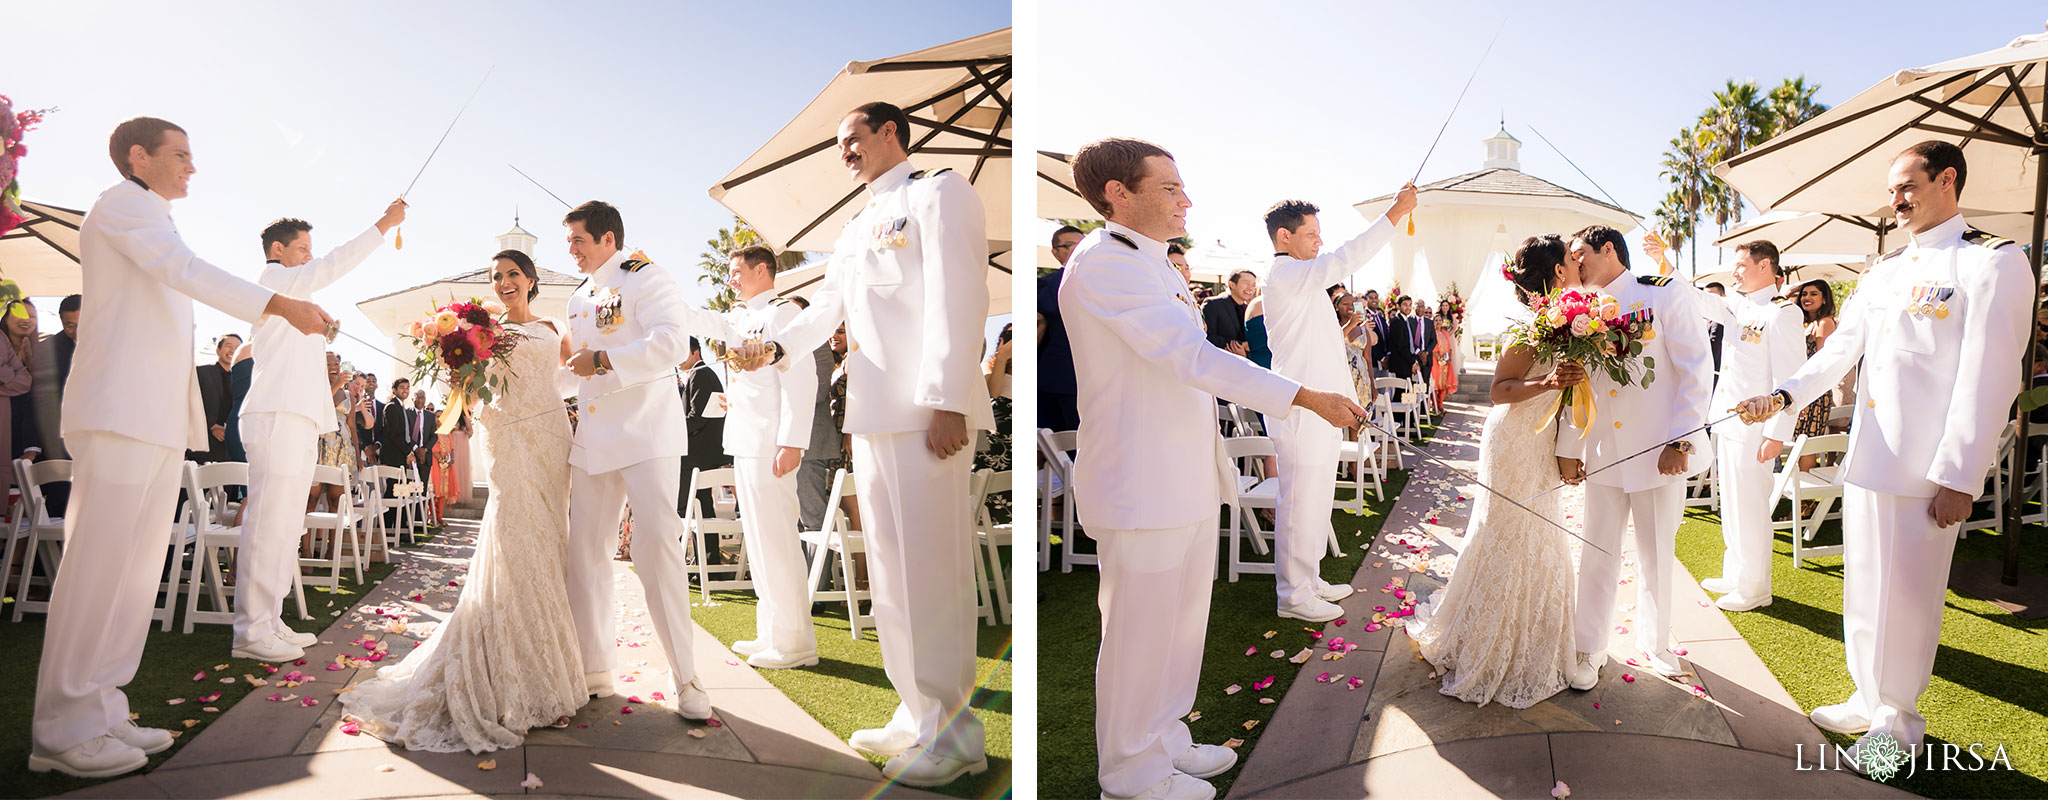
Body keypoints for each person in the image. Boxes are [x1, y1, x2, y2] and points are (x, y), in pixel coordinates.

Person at [1057, 138, 1366, 800]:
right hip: (1141, 483)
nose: (1186, 199)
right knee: (1139, 635)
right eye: (1169, 188)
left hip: (1182, 476)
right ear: (1118, 193)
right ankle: (1130, 774)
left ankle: (1164, 741)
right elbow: (1189, 358)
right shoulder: (1104, 262)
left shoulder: (1149, 262)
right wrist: (1305, 396)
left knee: (1178, 627)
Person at [31, 116, 329, 779]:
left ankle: (103, 708)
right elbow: (182, 270)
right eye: (180, 155)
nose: (192, 167)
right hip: (119, 409)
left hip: (155, 415)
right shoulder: (123, 205)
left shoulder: (152, 213)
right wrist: (280, 304)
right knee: (100, 567)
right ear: (137, 157)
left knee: (135, 572)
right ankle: (61, 728)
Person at [1737, 141, 2031, 767]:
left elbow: (1991, 378)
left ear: (1946, 180)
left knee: (1909, 599)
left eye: (1906, 187)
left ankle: (1898, 726)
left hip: (1926, 472)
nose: (1893, 201)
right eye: (1892, 189)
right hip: (1869, 458)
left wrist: (1958, 475)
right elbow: (1839, 352)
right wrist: (1784, 394)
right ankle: (1868, 698)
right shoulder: (1887, 268)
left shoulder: (1991, 263)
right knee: (1866, 588)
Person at [730, 101, 993, 787]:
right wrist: (772, 345)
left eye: (854, 138)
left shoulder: (940, 192)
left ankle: (958, 738)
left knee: (932, 575)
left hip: (927, 416)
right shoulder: (853, 229)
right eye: (839, 144)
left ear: (890, 133)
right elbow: (826, 311)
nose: (846, 151)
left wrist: (946, 400)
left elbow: (960, 297)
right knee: (894, 580)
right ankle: (917, 713)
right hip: (873, 418)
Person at [342, 248, 585, 752]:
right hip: (508, 441)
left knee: (548, 543)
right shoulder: (483, 332)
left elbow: (577, 372)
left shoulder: (554, 326)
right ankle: (518, 682)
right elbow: (474, 397)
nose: (504, 282)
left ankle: (547, 671)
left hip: (551, 438)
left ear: (532, 278)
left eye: (513, 274)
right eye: (497, 277)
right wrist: (459, 380)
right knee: (517, 546)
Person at [1408, 234, 1585, 708]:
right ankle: (1486, 643)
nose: (1577, 263)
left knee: (1538, 532)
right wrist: (1548, 381)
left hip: (1540, 440)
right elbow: (1500, 391)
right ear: (1556, 272)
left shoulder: (1568, 324)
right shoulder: (1529, 327)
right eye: (1571, 259)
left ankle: (1535, 640)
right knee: (1507, 530)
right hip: (1512, 441)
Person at [557, 201, 714, 722]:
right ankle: (594, 667)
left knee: (656, 552)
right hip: (595, 439)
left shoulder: (645, 276)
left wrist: (604, 359)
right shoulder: (578, 298)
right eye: (568, 242)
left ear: (607, 238)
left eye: (578, 240)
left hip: (647, 434)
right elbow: (570, 372)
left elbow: (672, 342)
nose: (571, 250)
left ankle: (686, 678)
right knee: (585, 555)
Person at [233, 206, 401, 662]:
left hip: (300, 415)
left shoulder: (292, 291)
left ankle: (268, 621)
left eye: (311, 249)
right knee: (267, 522)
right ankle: (250, 630)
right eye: (303, 249)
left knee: (287, 525)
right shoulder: (272, 280)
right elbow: (333, 267)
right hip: (276, 413)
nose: (311, 257)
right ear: (277, 251)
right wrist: (383, 225)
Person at [1556, 224, 1714, 688]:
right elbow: (1577, 385)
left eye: (1579, 253)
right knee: (1598, 552)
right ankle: (1590, 648)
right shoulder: (1576, 311)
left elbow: (1695, 370)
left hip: (1658, 452)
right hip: (1604, 449)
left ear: (1609, 250)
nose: (1574, 263)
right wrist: (1569, 447)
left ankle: (1657, 642)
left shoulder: (1664, 295)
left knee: (1656, 554)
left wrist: (1681, 440)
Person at [1258, 192, 1413, 622]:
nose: (1319, 242)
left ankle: (1310, 580)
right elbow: (1347, 257)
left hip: (1326, 407)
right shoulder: (1286, 274)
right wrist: (1396, 213)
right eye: (1311, 234)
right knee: (1299, 502)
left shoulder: (1303, 280)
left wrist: (1353, 404)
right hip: (1301, 408)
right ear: (1284, 236)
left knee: (1318, 497)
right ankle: (1292, 595)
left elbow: (1330, 350)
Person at [698, 244, 820, 670]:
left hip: (772, 442)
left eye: (737, 270)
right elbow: (704, 320)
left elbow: (802, 378)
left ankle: (795, 643)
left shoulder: (783, 314)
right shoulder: (740, 318)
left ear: (763, 269)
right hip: (746, 439)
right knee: (760, 540)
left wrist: (793, 441)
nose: (730, 277)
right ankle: (771, 631)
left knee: (778, 541)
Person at [1690, 240, 1803, 614]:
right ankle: (1736, 573)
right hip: (1728, 420)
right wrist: (1662, 261)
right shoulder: (1740, 304)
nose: (1734, 272)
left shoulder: (1783, 313)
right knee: (1733, 505)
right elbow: (1701, 300)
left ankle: (1755, 588)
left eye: (1741, 265)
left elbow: (1791, 379)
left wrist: (1777, 435)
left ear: (1766, 265)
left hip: (1758, 426)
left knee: (1751, 507)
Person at [793, 297, 844, 534]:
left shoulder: (819, 346)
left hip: (811, 445)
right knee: (795, 522)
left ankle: (820, 572)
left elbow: (819, 389)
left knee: (813, 520)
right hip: (787, 444)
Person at [676, 337, 729, 564]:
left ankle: (680, 562)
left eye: (682, 352)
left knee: (683, 509)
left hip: (695, 456)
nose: (677, 359)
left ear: (696, 352)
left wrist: (671, 430)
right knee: (702, 508)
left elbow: (697, 418)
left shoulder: (701, 373)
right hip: (703, 455)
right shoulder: (700, 374)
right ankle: (707, 560)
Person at [1791, 279, 1840, 474]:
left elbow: (1819, 362)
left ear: (1824, 298)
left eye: (1813, 294)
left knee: (1806, 443)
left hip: (1813, 391)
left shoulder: (1824, 323)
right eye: (1804, 294)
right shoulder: (1805, 323)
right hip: (1802, 387)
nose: (1806, 298)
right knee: (1799, 442)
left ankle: (1806, 499)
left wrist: (1806, 396)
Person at [1038, 225, 1084, 433]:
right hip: (1059, 377)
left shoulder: (1107, 279)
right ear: (1056, 253)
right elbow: (1051, 307)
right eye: (1070, 245)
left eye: (1082, 243)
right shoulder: (1044, 285)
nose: (1077, 249)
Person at [0, 297, 37, 484]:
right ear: (6, 318)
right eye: (20, 314)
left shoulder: (43, 352)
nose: (27, 319)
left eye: (32, 316)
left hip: (28, 438)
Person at [189, 333, 239, 463]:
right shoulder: (200, 372)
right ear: (218, 350)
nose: (233, 351)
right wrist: (212, 425)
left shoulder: (242, 379)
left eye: (238, 348)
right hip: (204, 445)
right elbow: (190, 402)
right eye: (229, 346)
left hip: (231, 448)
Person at [1202, 269, 1257, 355]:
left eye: (1253, 285)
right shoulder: (1213, 304)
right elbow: (1205, 336)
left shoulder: (1249, 309)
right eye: (1246, 283)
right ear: (1232, 284)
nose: (1250, 288)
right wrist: (1240, 345)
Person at [1433, 299, 1457, 407]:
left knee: (1443, 385)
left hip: (1446, 362)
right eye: (1436, 320)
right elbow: (1433, 347)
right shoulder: (1432, 333)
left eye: (1439, 320)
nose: (1438, 322)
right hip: (1436, 361)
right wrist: (1439, 358)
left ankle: (1440, 405)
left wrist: (1449, 358)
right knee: (1436, 385)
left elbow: (1449, 347)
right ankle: (1433, 405)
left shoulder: (1445, 333)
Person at [1703, 282, 1728, 373]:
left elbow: (1715, 346)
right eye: (1706, 296)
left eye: (1712, 296)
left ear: (1724, 297)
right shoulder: (1706, 319)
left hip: (1714, 371)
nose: (1709, 300)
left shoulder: (1719, 321)